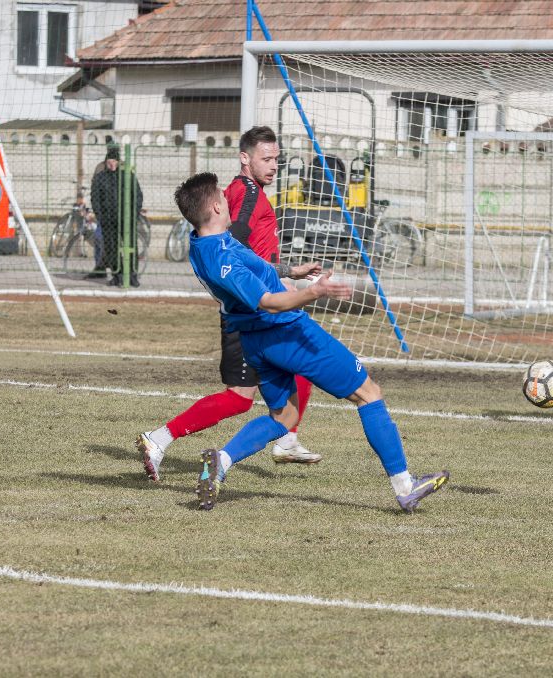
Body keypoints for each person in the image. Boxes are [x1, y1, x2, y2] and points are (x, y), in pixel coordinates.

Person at [173, 172, 449, 512]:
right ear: (215, 206)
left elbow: (250, 266)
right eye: (223, 197)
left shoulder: (201, 243)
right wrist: (313, 292)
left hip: (254, 343)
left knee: (284, 417)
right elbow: (268, 301)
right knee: (368, 393)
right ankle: (405, 485)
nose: (228, 201)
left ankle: (223, 460)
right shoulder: (222, 258)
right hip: (286, 332)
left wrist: (289, 272)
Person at [136, 126, 320, 482]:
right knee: (242, 396)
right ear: (244, 158)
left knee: (299, 365)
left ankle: (285, 437)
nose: (274, 165)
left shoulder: (246, 192)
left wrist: (287, 271)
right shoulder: (247, 194)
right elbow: (233, 252)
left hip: (256, 306)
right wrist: (277, 281)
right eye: (266, 158)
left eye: (276, 159)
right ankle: (161, 438)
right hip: (252, 311)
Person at [90, 147, 142, 287]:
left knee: (131, 246)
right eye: (110, 160)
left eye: (115, 160)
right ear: (106, 161)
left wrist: (134, 215)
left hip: (127, 220)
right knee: (111, 248)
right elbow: (95, 199)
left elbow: (138, 196)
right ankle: (116, 275)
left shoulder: (128, 176)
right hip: (108, 220)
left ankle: (132, 275)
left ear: (119, 162)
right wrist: (100, 216)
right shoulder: (100, 178)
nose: (112, 163)